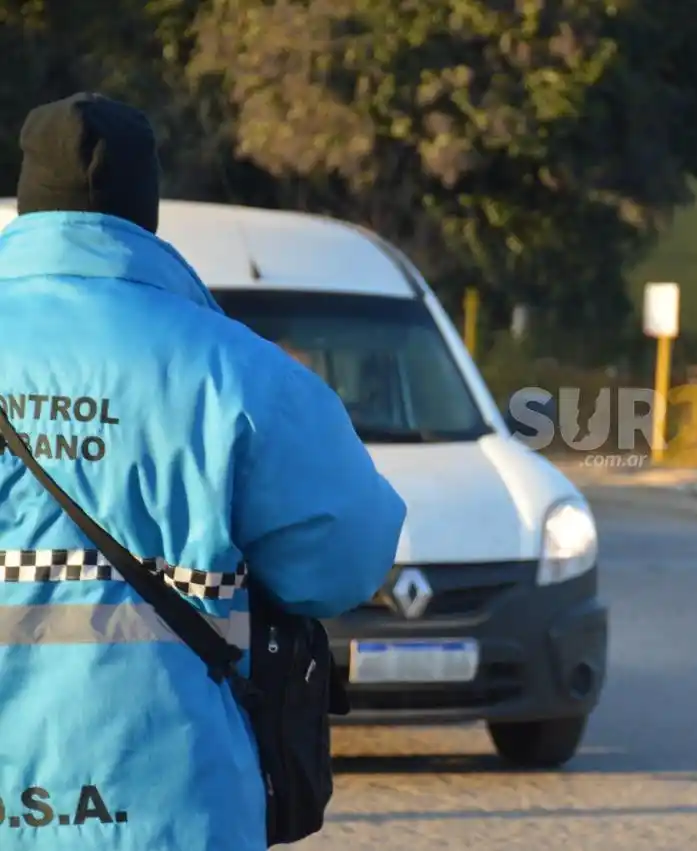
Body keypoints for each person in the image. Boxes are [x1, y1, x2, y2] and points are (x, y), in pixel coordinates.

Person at [0, 92, 406, 851]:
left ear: (28, 203)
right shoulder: (241, 373)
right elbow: (347, 563)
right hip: (176, 806)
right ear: (146, 211)